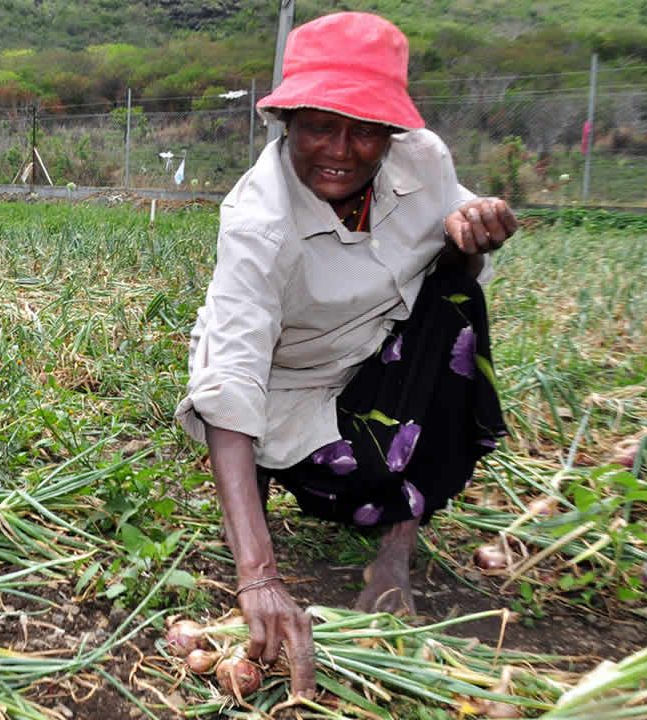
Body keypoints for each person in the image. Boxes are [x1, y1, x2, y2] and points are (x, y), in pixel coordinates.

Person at [175, 12, 517, 698]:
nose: (341, 149)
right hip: (291, 385)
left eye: (365, 129)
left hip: (378, 355)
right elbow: (232, 380)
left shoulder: (425, 160)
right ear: (288, 121)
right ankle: (275, 493)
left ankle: (396, 551)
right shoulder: (259, 223)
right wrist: (258, 576)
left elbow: (454, 267)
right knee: (333, 469)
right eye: (319, 126)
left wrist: (471, 237)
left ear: (393, 132)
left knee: (456, 305)